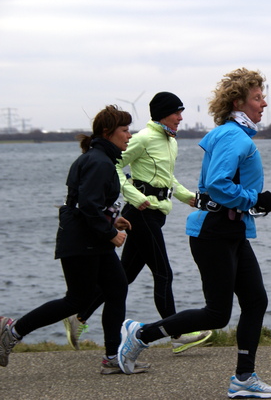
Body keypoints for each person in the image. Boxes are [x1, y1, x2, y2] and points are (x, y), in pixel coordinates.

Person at [116, 68, 271, 398]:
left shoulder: (232, 133)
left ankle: (243, 379)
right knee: (217, 314)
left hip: (230, 230)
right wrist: (255, 199)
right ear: (239, 102)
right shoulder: (234, 136)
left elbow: (219, 186)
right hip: (214, 232)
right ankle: (141, 335)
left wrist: (252, 203)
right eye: (258, 98)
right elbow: (219, 185)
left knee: (255, 301)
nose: (264, 104)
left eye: (263, 97)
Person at [0, 105, 150, 374]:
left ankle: (113, 357)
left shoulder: (99, 158)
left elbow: (86, 204)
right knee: (77, 300)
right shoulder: (99, 162)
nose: (129, 135)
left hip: (90, 238)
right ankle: (14, 329)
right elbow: (88, 206)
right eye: (125, 130)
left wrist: (111, 220)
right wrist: (111, 233)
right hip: (83, 242)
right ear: (107, 132)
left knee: (117, 288)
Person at [63, 92, 210, 354]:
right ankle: (176, 334)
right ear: (163, 114)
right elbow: (114, 166)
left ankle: (79, 316)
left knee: (124, 276)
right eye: (177, 112)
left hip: (156, 214)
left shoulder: (170, 141)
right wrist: (135, 195)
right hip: (141, 213)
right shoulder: (142, 138)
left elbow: (168, 179)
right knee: (163, 273)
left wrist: (189, 196)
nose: (181, 117)